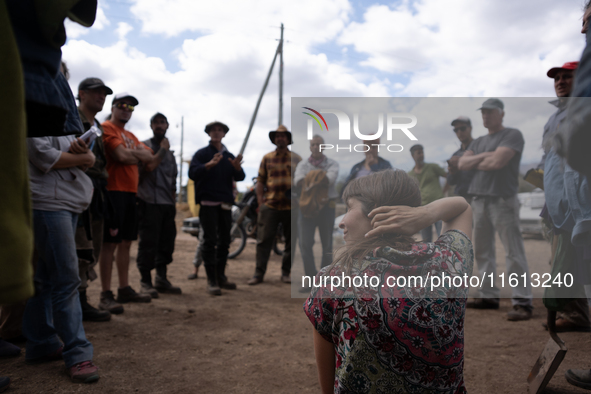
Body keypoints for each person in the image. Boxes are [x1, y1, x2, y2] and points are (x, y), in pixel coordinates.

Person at [303, 169, 473, 393]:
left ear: (378, 212)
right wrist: (424, 214)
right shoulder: (449, 262)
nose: (342, 222)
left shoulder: (335, 279)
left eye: (349, 208)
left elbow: (328, 378)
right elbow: (462, 206)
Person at [24, 115, 100, 383]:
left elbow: (87, 158)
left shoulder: (62, 119)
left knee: (44, 278)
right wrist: (82, 159)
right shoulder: (33, 111)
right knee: (67, 278)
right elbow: (44, 156)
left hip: (67, 201)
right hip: (48, 202)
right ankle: (78, 352)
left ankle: (41, 342)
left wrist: (82, 156)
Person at [458, 98, 533, 321]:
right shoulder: (478, 141)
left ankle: (522, 301)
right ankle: (489, 296)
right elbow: (462, 165)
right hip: (479, 200)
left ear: (501, 114)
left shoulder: (512, 135)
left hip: (502, 200)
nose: (486, 116)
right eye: (483, 113)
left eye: (490, 112)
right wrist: (487, 156)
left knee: (513, 251)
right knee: (482, 251)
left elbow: (497, 163)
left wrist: (478, 160)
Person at [538, 62, 590, 333]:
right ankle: (577, 314)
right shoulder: (552, 120)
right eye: (556, 78)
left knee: (585, 259)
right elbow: (548, 159)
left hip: (582, 201)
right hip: (557, 202)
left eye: (566, 76)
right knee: (562, 261)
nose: (560, 81)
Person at [98, 93, 159, 312]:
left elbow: (150, 158)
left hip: (130, 194)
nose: (126, 109)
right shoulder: (106, 128)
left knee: (125, 243)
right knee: (109, 244)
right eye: (122, 105)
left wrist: (131, 153)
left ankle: (124, 288)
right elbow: (122, 157)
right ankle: (105, 293)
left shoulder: (130, 135)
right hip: (112, 192)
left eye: (131, 107)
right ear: (113, 107)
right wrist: (136, 154)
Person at [188, 121, 245, 295]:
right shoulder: (202, 154)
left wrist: (237, 167)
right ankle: (211, 280)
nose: (216, 132)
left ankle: (221, 276)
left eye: (220, 130)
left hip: (225, 204)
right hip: (208, 204)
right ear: (208, 133)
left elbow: (240, 176)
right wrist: (208, 165)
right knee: (209, 240)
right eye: (213, 130)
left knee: (225, 241)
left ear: (224, 134)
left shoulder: (229, 156)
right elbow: (192, 173)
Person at [75, 77, 114, 323]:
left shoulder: (97, 124)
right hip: (77, 191)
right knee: (79, 248)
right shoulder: (72, 119)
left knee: (92, 248)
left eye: (104, 94)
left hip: (96, 193)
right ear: (82, 94)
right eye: (96, 92)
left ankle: (81, 300)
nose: (101, 97)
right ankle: (76, 304)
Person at [247, 125, 301, 285]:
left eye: (283, 136)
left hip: (292, 207)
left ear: (288, 139)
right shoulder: (267, 157)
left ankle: (286, 273)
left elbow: (303, 182)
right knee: (263, 240)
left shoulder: (297, 158)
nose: (280, 138)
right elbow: (261, 180)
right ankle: (259, 274)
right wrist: (260, 201)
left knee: (291, 241)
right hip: (270, 205)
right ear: (274, 139)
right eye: (277, 136)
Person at [136, 113, 181, 297]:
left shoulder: (170, 154)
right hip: (148, 203)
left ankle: (161, 279)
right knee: (148, 243)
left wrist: (173, 204)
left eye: (162, 122)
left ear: (168, 125)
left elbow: (173, 181)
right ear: (151, 125)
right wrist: (162, 150)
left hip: (166, 204)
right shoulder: (144, 146)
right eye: (156, 122)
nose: (159, 125)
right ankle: (145, 281)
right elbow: (148, 167)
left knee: (166, 243)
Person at [294, 135, 339, 280]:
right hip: (306, 208)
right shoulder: (302, 164)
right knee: (305, 244)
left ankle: (324, 281)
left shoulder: (333, 163)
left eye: (318, 144)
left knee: (327, 246)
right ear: (310, 147)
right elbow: (298, 181)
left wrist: (310, 179)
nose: (316, 147)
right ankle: (311, 278)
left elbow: (330, 179)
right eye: (313, 144)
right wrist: (320, 177)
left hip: (327, 207)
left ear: (323, 146)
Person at [408, 144, 448, 242]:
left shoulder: (432, 167)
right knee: (426, 240)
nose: (421, 155)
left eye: (422, 152)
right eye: (419, 153)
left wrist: (444, 191)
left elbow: (448, 177)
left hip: (438, 206)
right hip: (422, 209)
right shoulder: (410, 175)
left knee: (442, 236)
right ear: (413, 156)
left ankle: (444, 257)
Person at [447, 116, 476, 202]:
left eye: (462, 128)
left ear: (470, 128)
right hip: (462, 198)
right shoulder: (455, 155)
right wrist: (453, 172)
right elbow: (451, 181)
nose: (459, 132)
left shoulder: (480, 147)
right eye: (456, 130)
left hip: (479, 197)